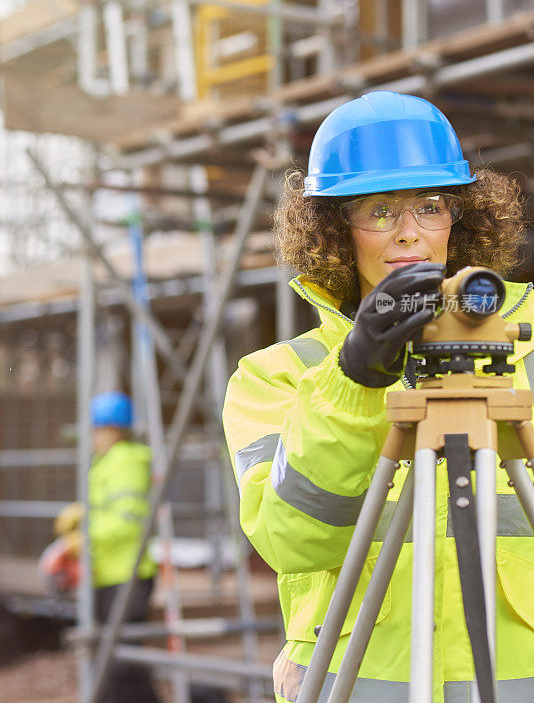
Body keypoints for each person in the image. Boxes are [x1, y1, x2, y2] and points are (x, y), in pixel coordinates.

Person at [222, 91, 534, 703]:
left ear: (461, 219)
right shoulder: (277, 375)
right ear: (336, 231)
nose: (410, 235)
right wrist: (356, 381)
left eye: (430, 206)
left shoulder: (524, 343)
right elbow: (291, 539)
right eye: (380, 211)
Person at [56, 391, 161, 703]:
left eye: (95, 429)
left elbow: (127, 521)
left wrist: (84, 538)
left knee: (121, 663)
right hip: (111, 575)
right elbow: (108, 510)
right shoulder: (108, 462)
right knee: (112, 660)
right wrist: (82, 515)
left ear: (113, 429)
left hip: (127, 576)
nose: (91, 436)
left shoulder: (125, 463)